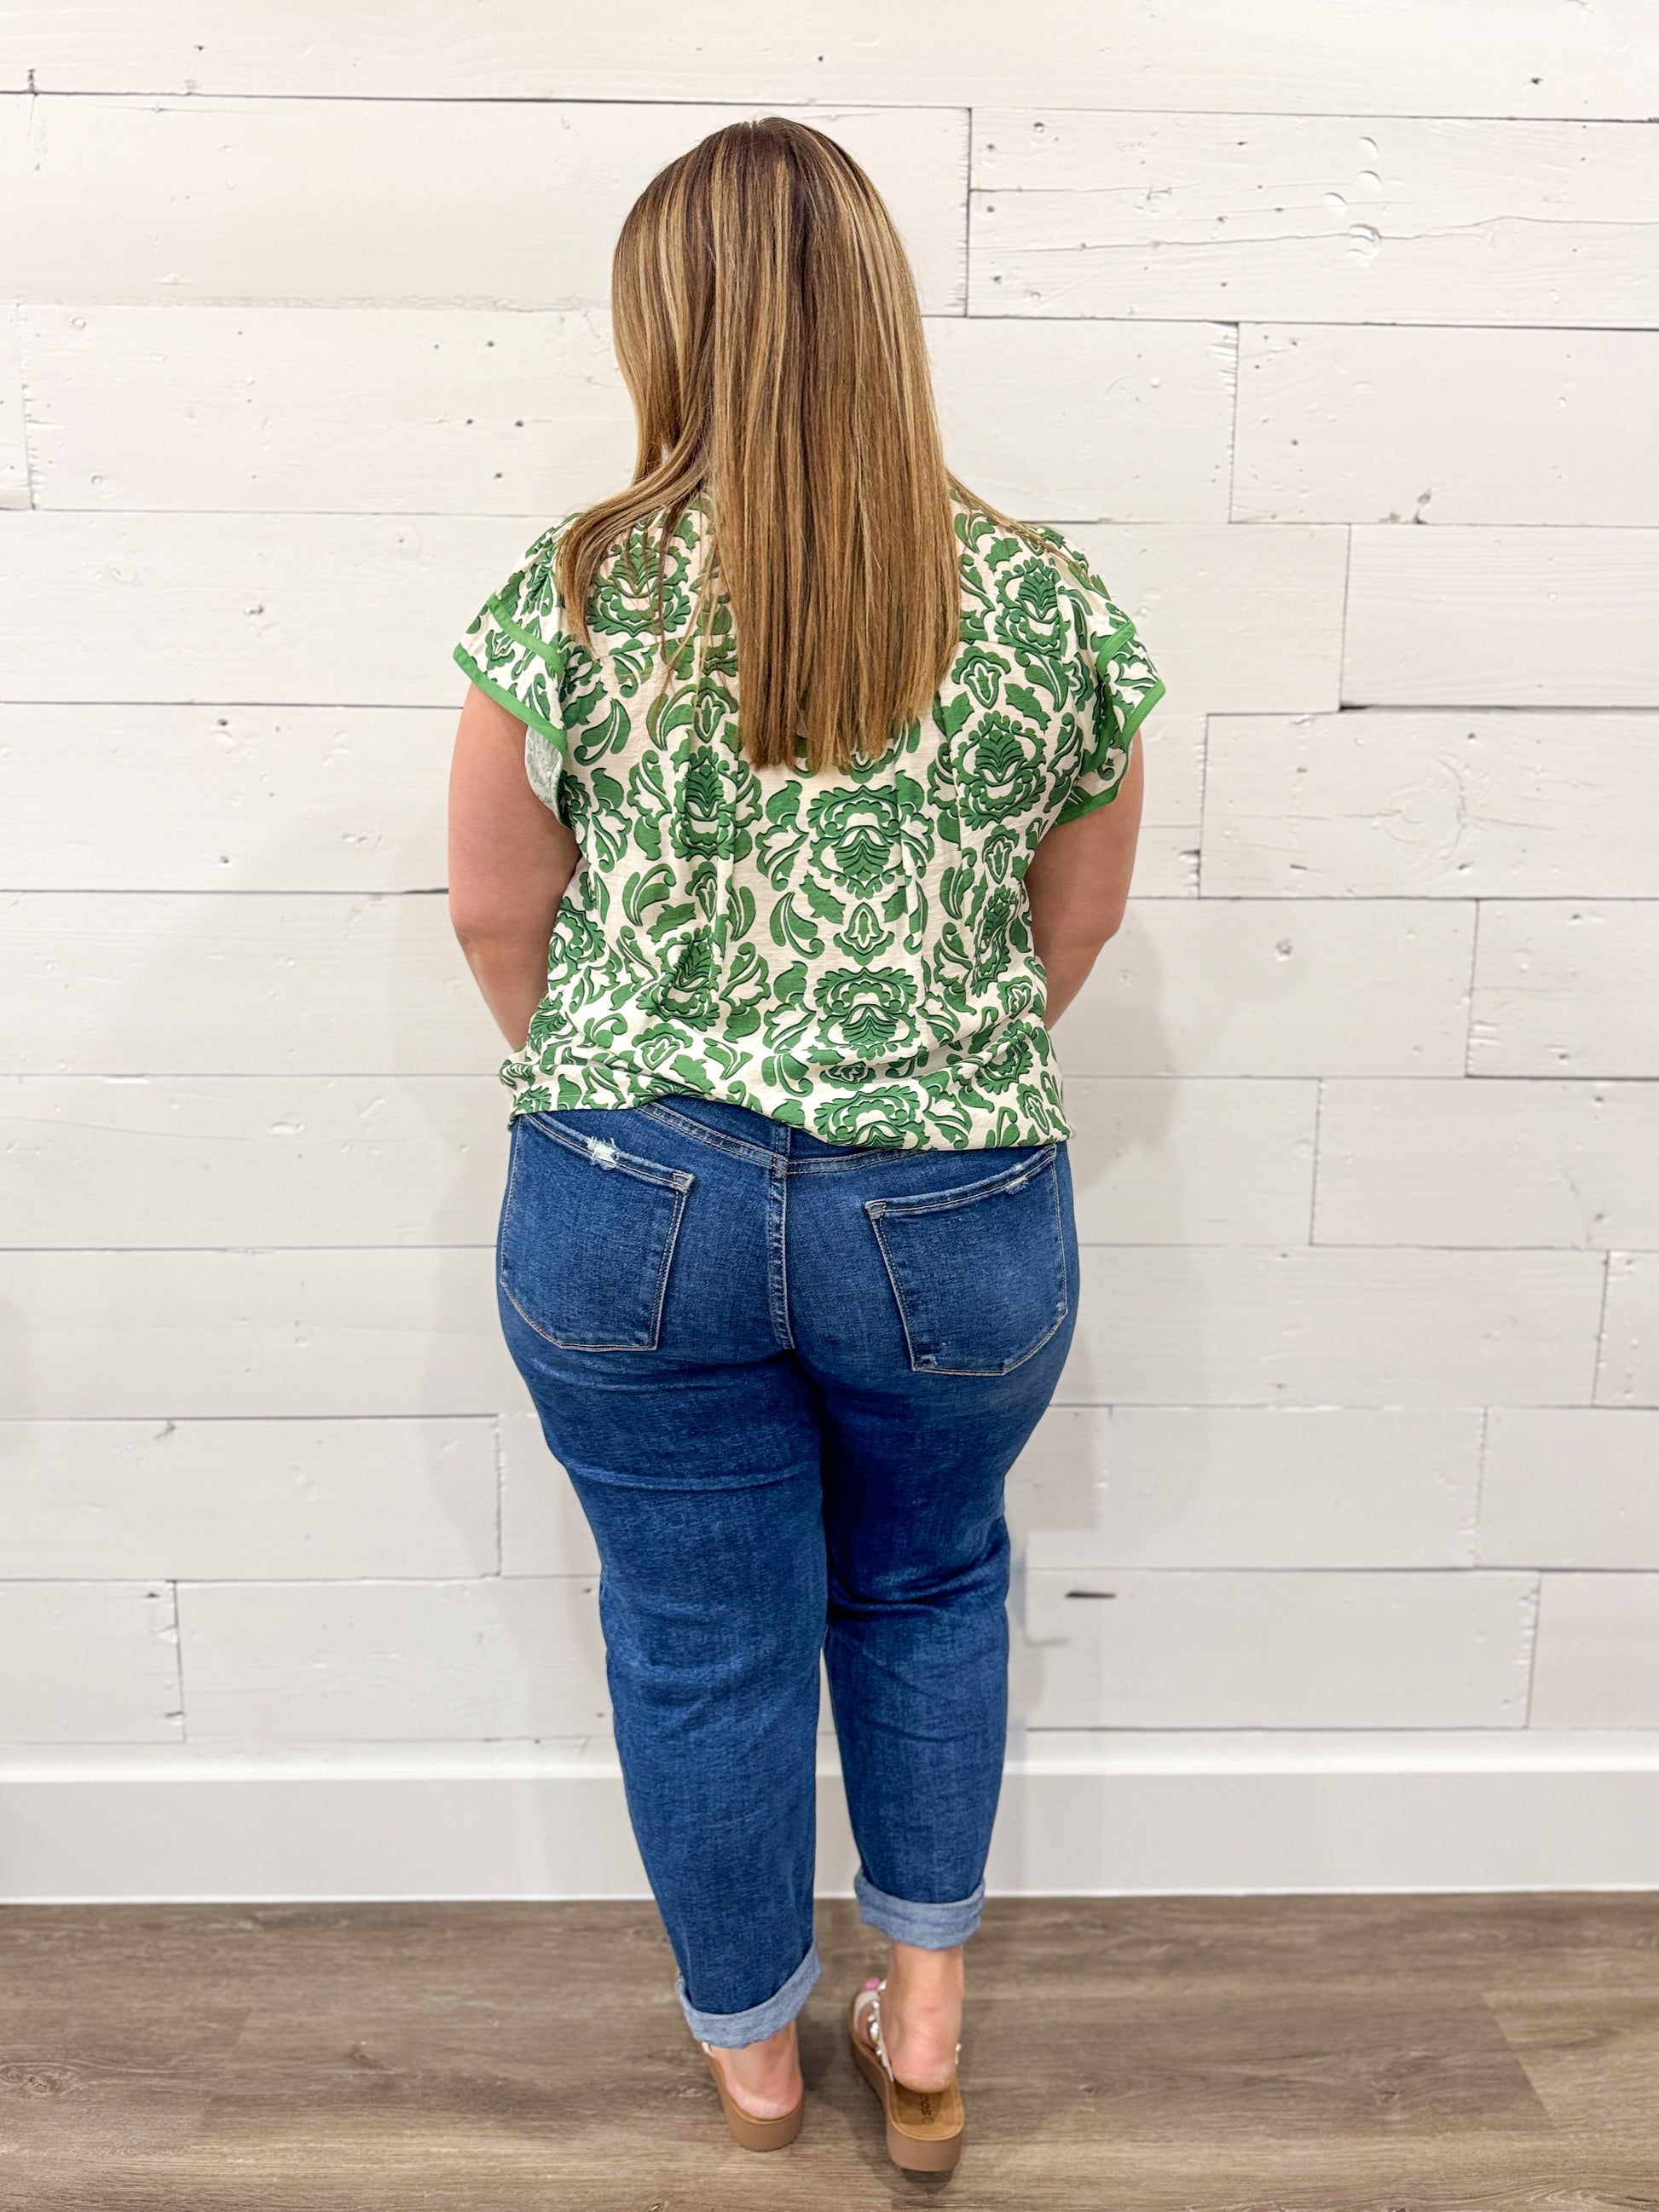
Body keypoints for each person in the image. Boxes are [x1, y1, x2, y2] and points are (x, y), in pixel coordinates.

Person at [446, 115, 1163, 2175]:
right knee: (930, 1582)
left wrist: (616, 1082)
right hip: (950, 1203)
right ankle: (920, 2014)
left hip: (623, 1193)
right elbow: (1078, 917)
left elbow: (502, 920)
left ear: (663, 326)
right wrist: (930, 1075)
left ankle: (755, 2056)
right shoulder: (1040, 598)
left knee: (698, 1627)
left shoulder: (573, 588)